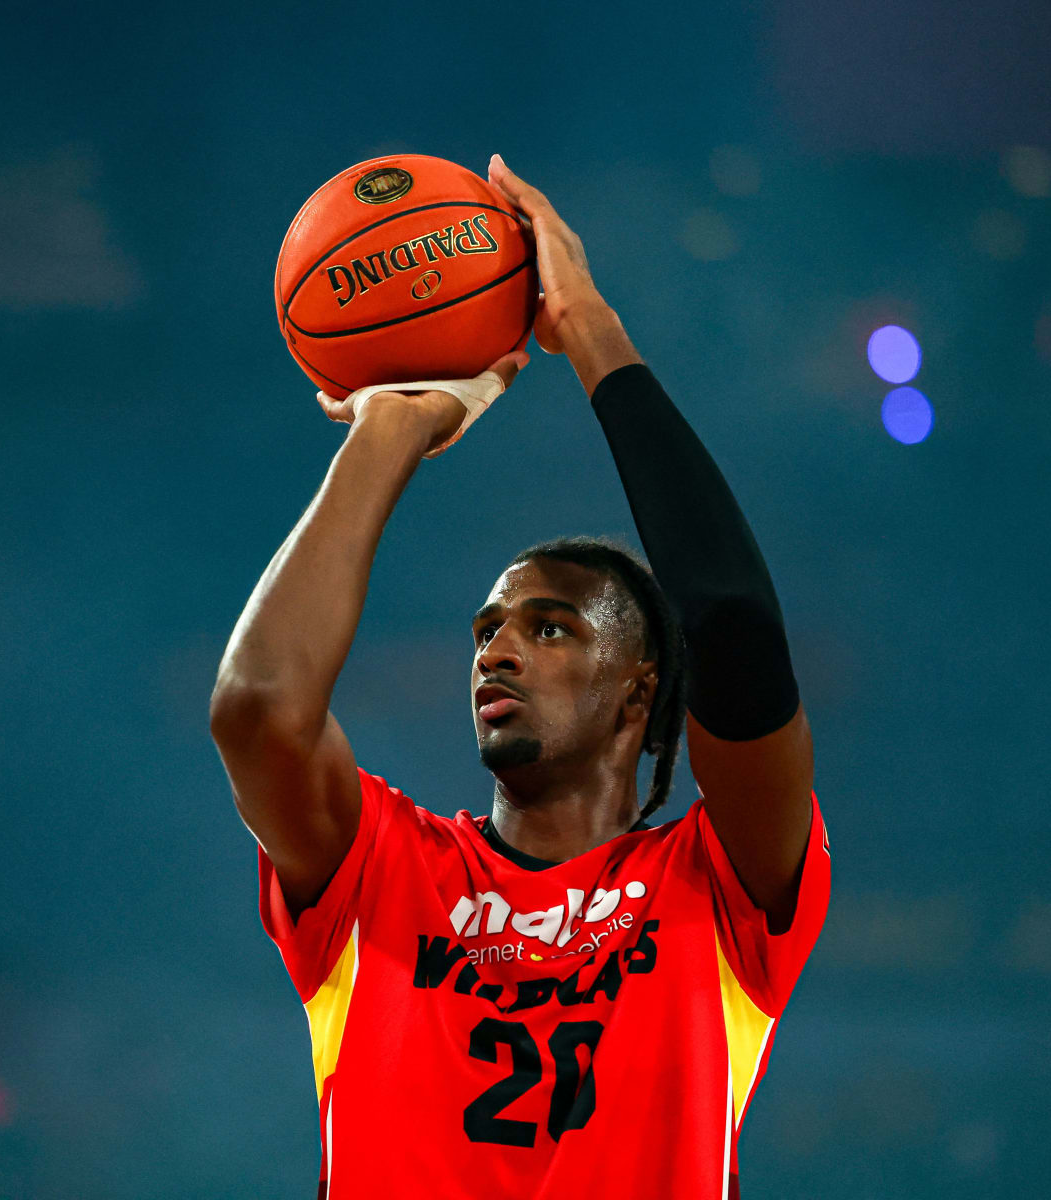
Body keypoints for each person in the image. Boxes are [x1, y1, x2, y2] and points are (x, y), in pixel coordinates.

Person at [209, 154, 830, 1199]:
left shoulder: (718, 889)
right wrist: (392, 424)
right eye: (489, 630)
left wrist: (586, 326)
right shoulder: (382, 872)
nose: (497, 650)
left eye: (550, 630)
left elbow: (726, 619)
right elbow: (258, 707)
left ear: (641, 689)